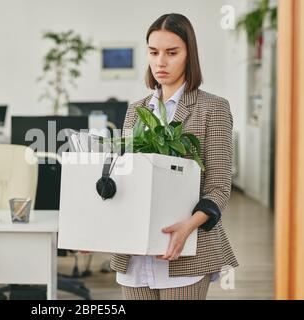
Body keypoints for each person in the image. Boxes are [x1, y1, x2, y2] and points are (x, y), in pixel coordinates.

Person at [110, 13, 239, 300]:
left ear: (189, 55)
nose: (160, 62)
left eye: (172, 53)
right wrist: (101, 227)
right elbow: (124, 178)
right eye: (153, 52)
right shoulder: (136, 110)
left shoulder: (213, 108)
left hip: (187, 249)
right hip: (135, 254)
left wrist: (188, 227)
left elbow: (218, 186)